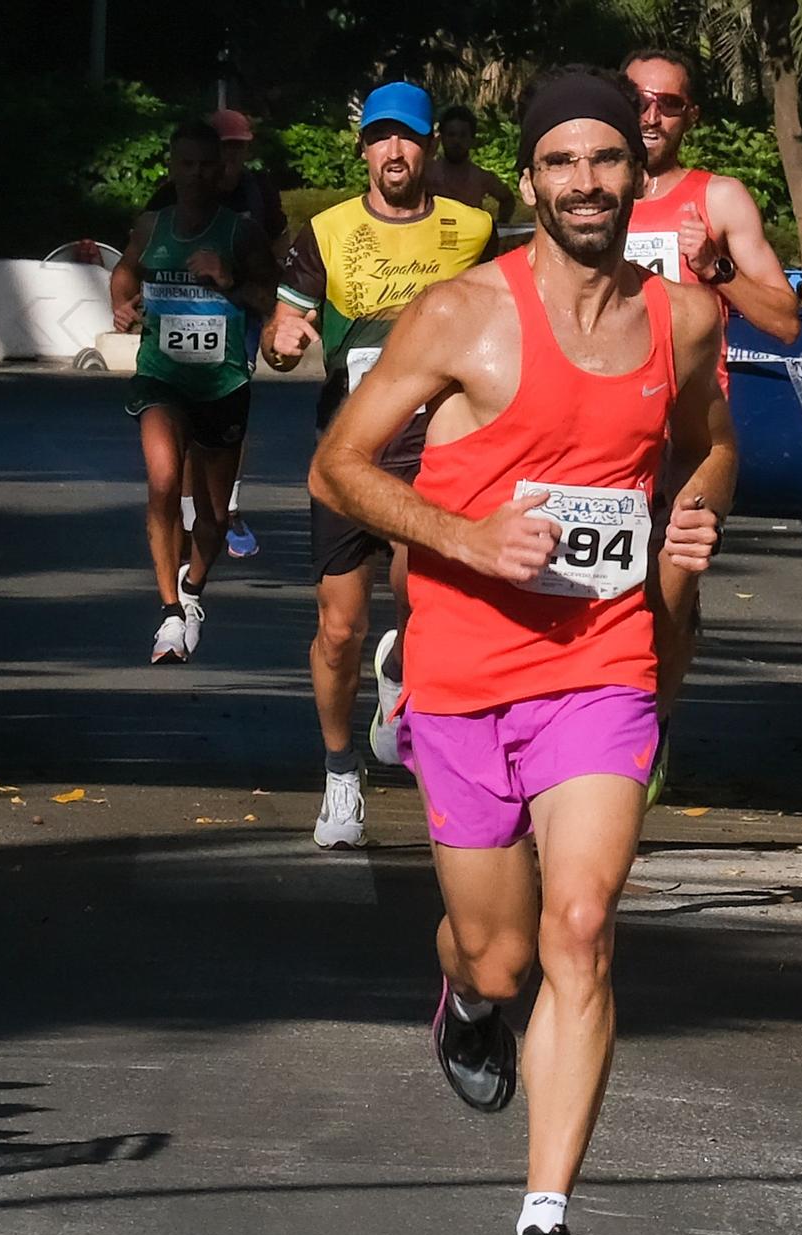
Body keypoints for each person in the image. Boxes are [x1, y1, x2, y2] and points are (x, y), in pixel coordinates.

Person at [311, 66, 733, 1235]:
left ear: (634, 172)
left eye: (606, 159)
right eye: (560, 163)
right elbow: (340, 468)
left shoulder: (685, 321)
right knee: (498, 949)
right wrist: (464, 534)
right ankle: (464, 994)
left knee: (582, 923)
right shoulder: (459, 314)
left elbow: (707, 442)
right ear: (530, 178)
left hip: (600, 666)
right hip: (460, 671)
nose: (586, 183)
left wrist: (685, 522)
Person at [262, 82, 495, 849]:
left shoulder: (473, 229)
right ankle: (339, 772)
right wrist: (281, 341)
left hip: (437, 446)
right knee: (338, 630)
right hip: (349, 447)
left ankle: (404, 675)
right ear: (363, 148)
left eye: (410, 138)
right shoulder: (322, 232)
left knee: (421, 591)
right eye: (382, 139)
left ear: (429, 146)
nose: (396, 153)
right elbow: (283, 324)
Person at [619, 48, 799, 797]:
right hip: (598, 430)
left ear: (691, 115)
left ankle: (651, 726)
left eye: (668, 104)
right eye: (637, 99)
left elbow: (787, 319)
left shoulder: (716, 200)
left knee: (668, 591)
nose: (650, 116)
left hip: (691, 435)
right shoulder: (589, 189)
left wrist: (715, 269)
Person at [111, 121, 278, 664]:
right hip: (162, 375)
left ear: (221, 170)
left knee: (211, 513)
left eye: (207, 164)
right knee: (162, 482)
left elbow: (269, 297)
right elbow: (124, 271)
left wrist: (229, 280)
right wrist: (121, 303)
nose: (197, 174)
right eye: (186, 164)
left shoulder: (240, 232)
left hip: (222, 381)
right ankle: (167, 612)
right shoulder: (152, 225)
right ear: (172, 167)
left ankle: (193, 590)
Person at [143, 108, 284, 561]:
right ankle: (187, 510)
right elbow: (140, 255)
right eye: (224, 148)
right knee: (179, 419)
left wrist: (247, 279)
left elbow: (276, 244)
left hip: (236, 317)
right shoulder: (168, 196)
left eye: (238, 149)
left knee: (225, 418)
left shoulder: (257, 191)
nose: (229, 159)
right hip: (175, 325)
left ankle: (228, 504)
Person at [426, 104, 517, 226]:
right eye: (451, 135)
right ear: (442, 138)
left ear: (471, 139)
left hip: (470, 240)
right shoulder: (427, 174)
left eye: (463, 135)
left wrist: (499, 226)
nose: (457, 141)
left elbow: (507, 199)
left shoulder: (481, 178)